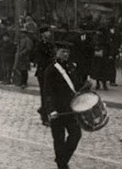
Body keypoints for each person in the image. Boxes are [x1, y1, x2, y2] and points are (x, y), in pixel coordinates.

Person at [44, 41, 86, 169]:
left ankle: (61, 160)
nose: (66, 54)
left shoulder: (71, 67)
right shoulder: (51, 70)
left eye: (67, 52)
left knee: (76, 135)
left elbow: (75, 86)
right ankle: (62, 165)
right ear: (56, 52)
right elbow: (47, 92)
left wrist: (85, 86)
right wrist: (51, 110)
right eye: (63, 51)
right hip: (58, 111)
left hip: (70, 109)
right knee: (59, 139)